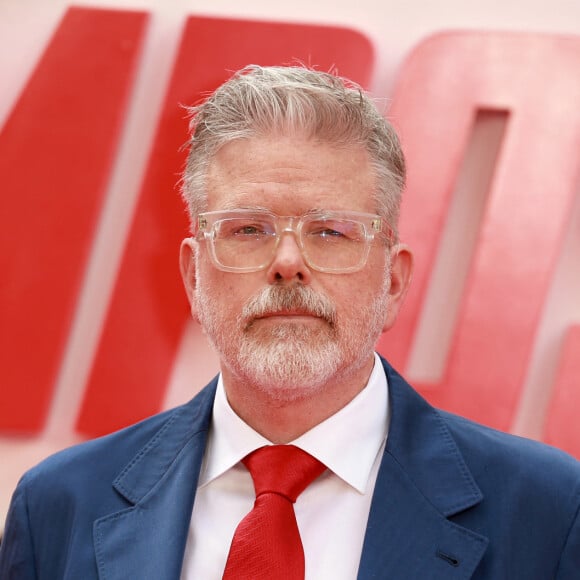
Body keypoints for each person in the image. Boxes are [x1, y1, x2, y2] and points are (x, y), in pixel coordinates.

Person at [1, 65, 579, 580]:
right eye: (247, 229)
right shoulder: (60, 504)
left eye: (331, 231)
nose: (286, 264)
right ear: (193, 276)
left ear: (394, 281)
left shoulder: (548, 510)